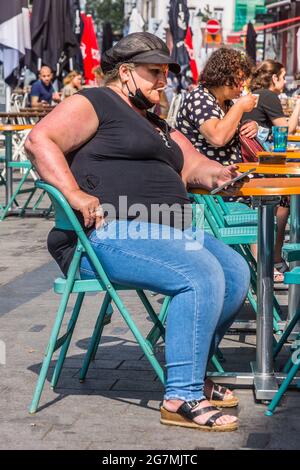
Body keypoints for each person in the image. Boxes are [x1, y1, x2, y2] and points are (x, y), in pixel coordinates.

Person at [25, 32, 250, 432]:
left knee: (234, 272)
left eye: (166, 72)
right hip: (104, 235)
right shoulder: (95, 101)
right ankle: (181, 396)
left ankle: (193, 370)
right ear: (126, 73)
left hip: (166, 232)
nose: (163, 81)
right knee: (201, 273)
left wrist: (222, 175)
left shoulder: (157, 123)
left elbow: (194, 166)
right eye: (154, 73)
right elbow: (39, 139)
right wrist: (73, 193)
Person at [243, 60, 300, 282]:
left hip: (257, 163)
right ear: (273, 78)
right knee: (285, 199)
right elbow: (286, 129)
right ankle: (274, 257)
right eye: (283, 76)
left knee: (286, 196)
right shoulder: (267, 95)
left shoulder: (259, 95)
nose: (285, 81)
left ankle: (273, 256)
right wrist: (298, 106)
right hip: (258, 168)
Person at [176, 47, 258, 165]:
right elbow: (218, 138)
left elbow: (228, 129)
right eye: (240, 79)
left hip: (232, 171)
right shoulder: (199, 98)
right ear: (224, 78)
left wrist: (250, 126)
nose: (244, 84)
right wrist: (239, 106)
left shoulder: (226, 102)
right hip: (210, 176)